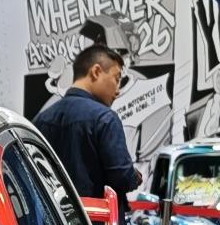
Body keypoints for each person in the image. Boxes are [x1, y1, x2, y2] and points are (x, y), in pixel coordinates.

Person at [33, 45, 140, 211]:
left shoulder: (40, 120)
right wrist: (135, 176)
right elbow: (123, 178)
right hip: (97, 222)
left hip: (54, 222)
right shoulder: (105, 118)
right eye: (116, 78)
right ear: (96, 71)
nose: (118, 90)